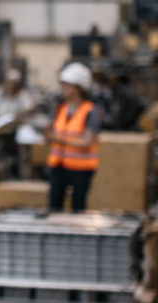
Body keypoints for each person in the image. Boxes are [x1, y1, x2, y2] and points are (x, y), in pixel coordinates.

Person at [46, 62, 101, 212]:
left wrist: (59, 139)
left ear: (79, 88)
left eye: (68, 85)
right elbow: (52, 132)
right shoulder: (60, 109)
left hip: (81, 168)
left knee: (78, 208)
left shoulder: (89, 111)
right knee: (54, 207)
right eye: (63, 84)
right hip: (58, 165)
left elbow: (87, 141)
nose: (63, 88)